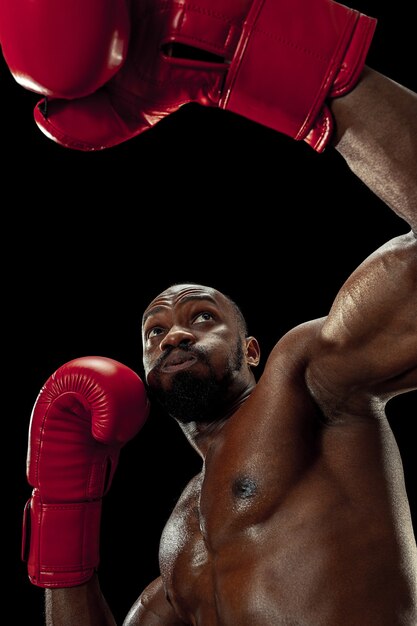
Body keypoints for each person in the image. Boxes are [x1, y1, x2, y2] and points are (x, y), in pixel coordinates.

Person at [15, 2, 416, 626]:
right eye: (153, 331)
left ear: (251, 349)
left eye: (203, 317)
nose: (174, 330)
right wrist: (65, 524)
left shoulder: (309, 381)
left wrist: (250, 56)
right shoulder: (181, 537)